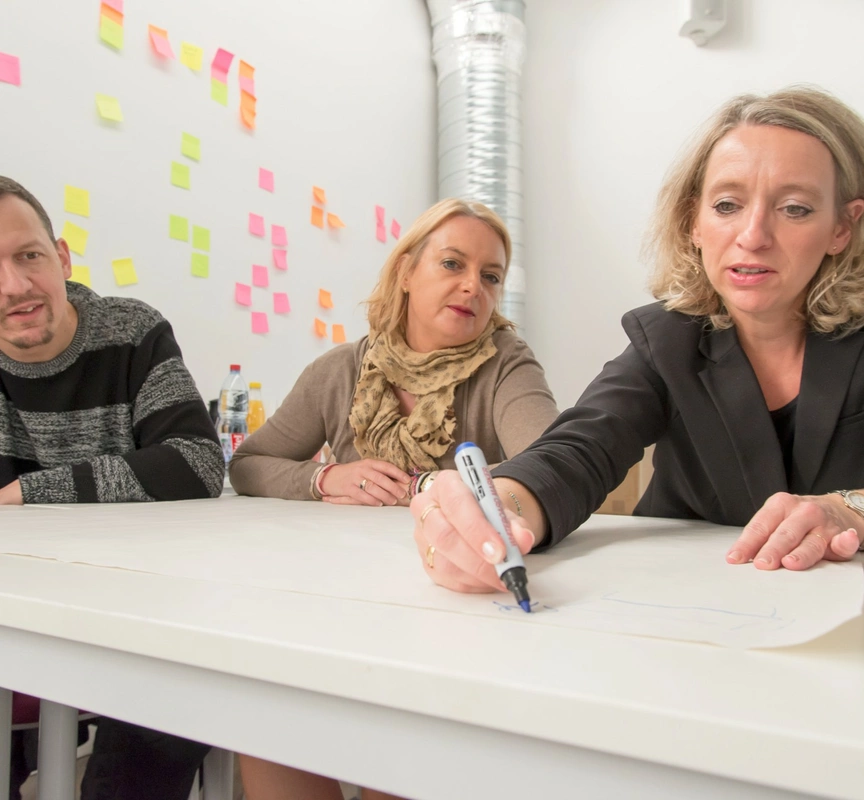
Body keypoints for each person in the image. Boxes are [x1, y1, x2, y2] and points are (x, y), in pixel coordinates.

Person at [410, 86, 864, 598]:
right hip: (688, 613)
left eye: (796, 209)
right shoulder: (667, 339)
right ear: (694, 221)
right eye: (727, 204)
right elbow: (578, 452)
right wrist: (498, 508)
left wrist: (849, 508)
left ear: (842, 229)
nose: (753, 235)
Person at [229, 198, 558, 800]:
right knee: (266, 715)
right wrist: (324, 480)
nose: (471, 287)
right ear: (406, 271)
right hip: (341, 604)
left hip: (452, 620)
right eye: (452, 263)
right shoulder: (339, 370)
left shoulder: (506, 364)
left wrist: (441, 489)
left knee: (407, 756)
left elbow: (551, 464)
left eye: (490, 277)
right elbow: (249, 464)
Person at [0, 176, 225, 800]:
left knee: (171, 707)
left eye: (28, 256)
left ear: (62, 257)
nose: (14, 286)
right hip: (18, 611)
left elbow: (196, 463)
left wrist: (24, 492)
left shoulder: (133, 332)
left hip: (144, 610)